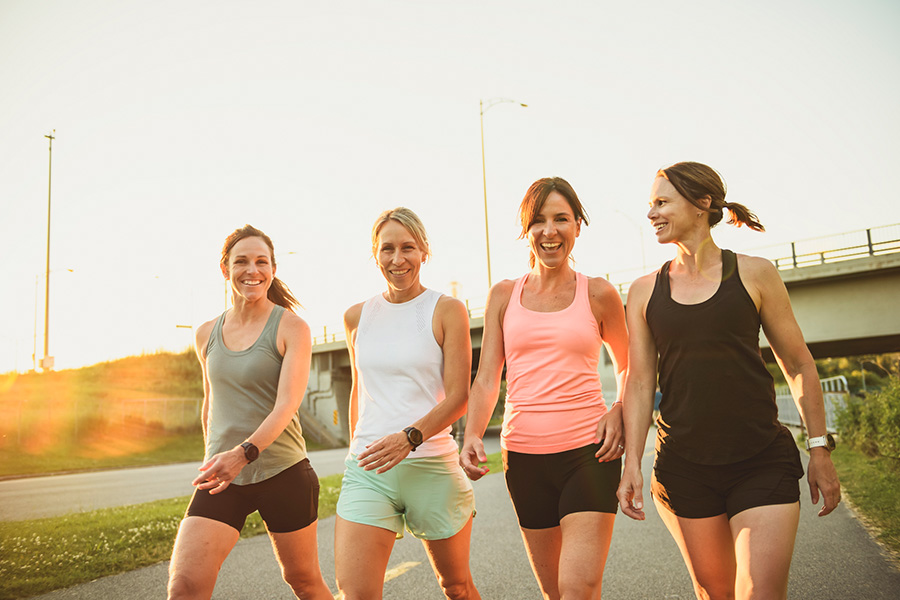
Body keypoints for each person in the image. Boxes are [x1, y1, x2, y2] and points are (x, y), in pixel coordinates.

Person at [616, 162, 842, 600]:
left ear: (702, 204)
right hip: (684, 469)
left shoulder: (755, 274)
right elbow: (641, 382)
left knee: (759, 591)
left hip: (760, 459)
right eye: (650, 204)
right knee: (715, 593)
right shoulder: (644, 291)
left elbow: (798, 364)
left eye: (662, 202)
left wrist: (819, 449)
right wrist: (631, 466)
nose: (651, 214)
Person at [460, 177, 629, 600]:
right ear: (526, 230)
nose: (549, 231)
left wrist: (621, 407)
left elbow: (631, 367)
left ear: (577, 226)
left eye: (561, 219)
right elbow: (486, 378)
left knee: (577, 587)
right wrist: (473, 435)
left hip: (589, 453)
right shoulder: (503, 294)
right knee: (554, 592)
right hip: (524, 458)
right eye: (538, 221)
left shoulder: (600, 293)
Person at [167, 225, 332, 600]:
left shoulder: (292, 327)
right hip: (222, 477)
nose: (251, 270)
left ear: (273, 269)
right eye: (241, 261)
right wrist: (215, 456)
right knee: (184, 586)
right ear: (225, 268)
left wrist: (241, 455)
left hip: (283, 472)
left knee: (303, 581)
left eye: (261, 262)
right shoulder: (206, 333)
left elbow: (287, 404)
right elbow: (212, 401)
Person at [334, 207, 480, 600]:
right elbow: (358, 389)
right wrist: (355, 448)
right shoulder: (355, 316)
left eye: (407, 248)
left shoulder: (447, 309)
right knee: (356, 592)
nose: (397, 259)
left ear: (424, 252)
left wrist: (409, 438)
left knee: (457, 587)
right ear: (375, 254)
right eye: (387, 249)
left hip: (430, 464)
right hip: (369, 470)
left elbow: (459, 396)